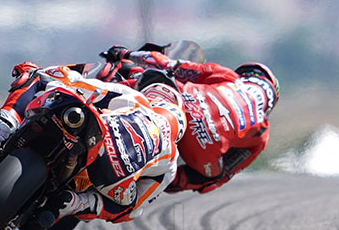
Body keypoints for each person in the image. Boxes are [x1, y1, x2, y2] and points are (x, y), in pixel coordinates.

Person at [0, 64, 186, 225]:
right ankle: (75, 203)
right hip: (110, 180)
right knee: (128, 206)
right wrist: (90, 201)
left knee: (36, 77)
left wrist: (51, 72)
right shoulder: (171, 161)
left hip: (96, 145)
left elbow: (75, 83)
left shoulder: (135, 99)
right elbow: (132, 209)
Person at [100, 44, 279, 194]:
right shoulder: (262, 133)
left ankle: (103, 93)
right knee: (213, 176)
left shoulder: (230, 77)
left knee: (145, 76)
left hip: (179, 105)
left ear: (248, 75)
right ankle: (153, 182)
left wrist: (125, 53)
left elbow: (169, 65)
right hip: (201, 152)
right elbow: (224, 175)